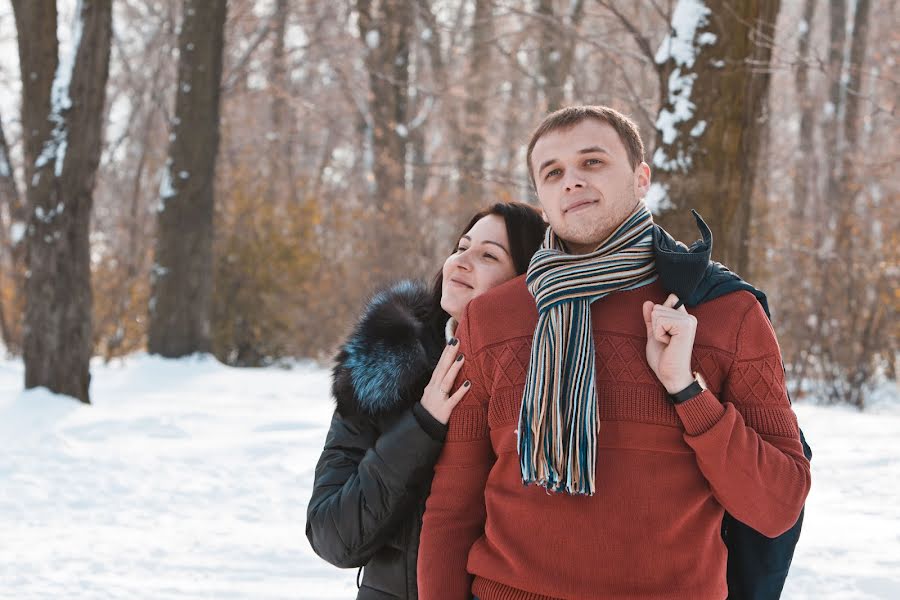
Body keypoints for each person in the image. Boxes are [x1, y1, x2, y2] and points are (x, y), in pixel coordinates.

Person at [417, 106, 812, 600]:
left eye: (593, 162)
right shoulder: (492, 318)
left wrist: (688, 392)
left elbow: (777, 506)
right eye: (553, 172)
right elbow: (453, 508)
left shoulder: (725, 312)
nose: (572, 181)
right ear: (541, 198)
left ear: (641, 177)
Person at [305, 202, 547, 599]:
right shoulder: (385, 362)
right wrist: (422, 425)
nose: (462, 261)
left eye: (488, 255)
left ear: (525, 281)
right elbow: (333, 536)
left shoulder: (546, 382)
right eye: (461, 246)